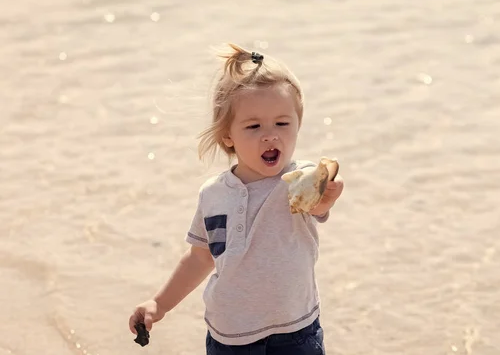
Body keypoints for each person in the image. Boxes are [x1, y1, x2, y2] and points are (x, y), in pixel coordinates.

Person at [128, 43, 344, 354]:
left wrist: (328, 195)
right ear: (227, 135)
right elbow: (201, 257)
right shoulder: (214, 194)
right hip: (229, 337)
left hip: (295, 331)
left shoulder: (300, 180)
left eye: (282, 123)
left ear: (297, 125)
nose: (270, 135)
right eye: (254, 126)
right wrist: (158, 304)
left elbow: (318, 203)